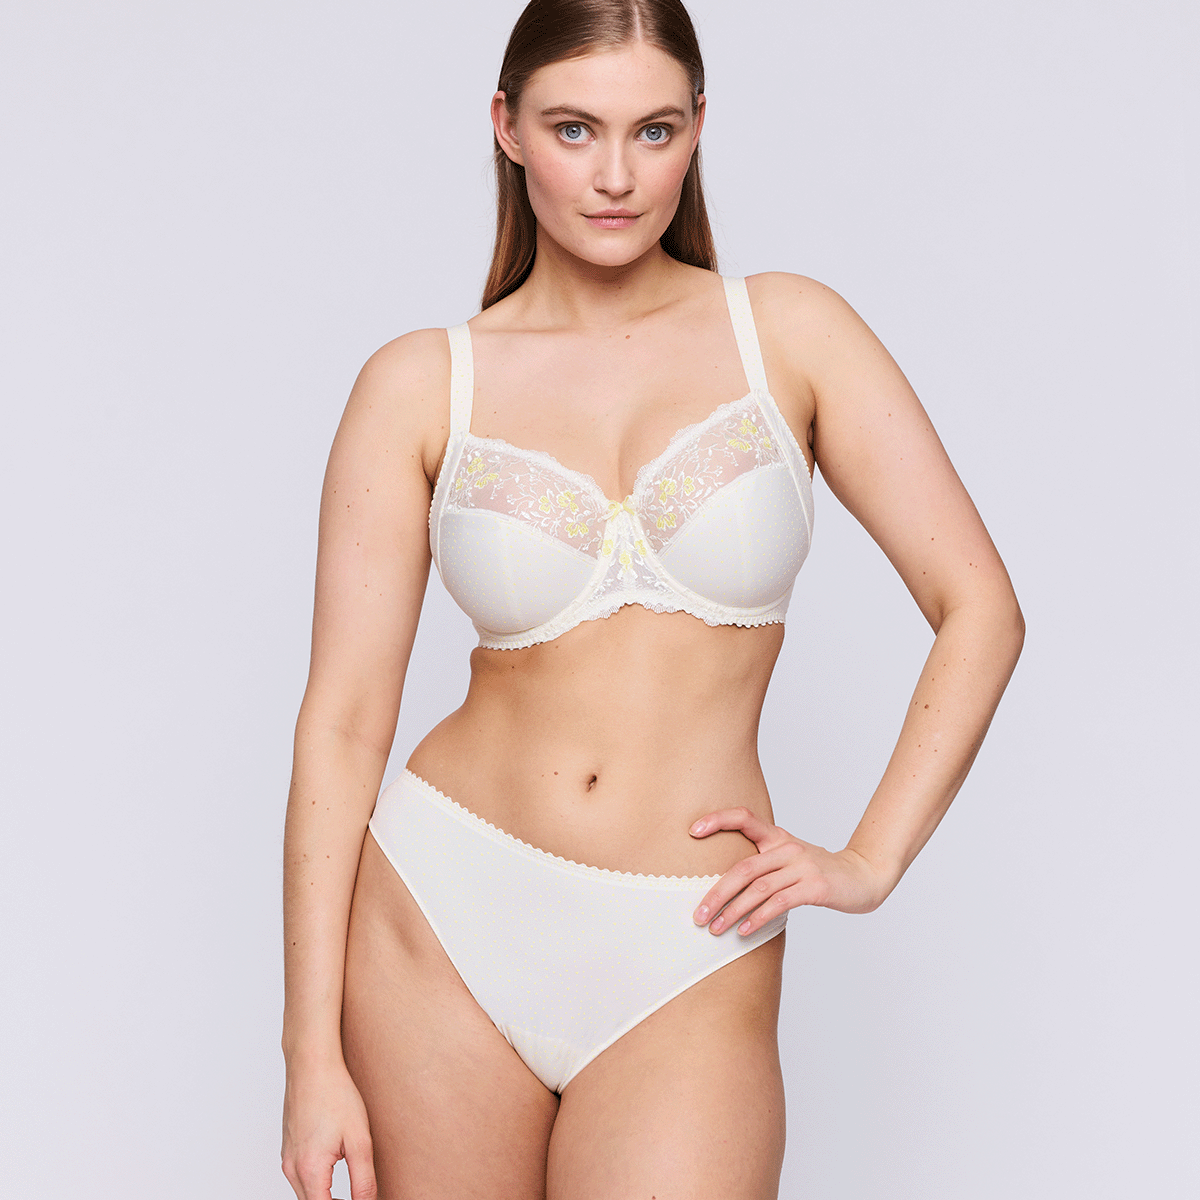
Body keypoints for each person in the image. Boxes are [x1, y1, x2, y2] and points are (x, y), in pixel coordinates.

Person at [280, 1, 1024, 1196]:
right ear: (507, 127)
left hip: (691, 938)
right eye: (574, 129)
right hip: (443, 916)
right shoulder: (420, 384)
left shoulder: (790, 332)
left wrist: (870, 860)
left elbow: (980, 607)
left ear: (699, 127)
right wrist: (308, 1054)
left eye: (655, 130)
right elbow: (344, 722)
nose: (617, 176)